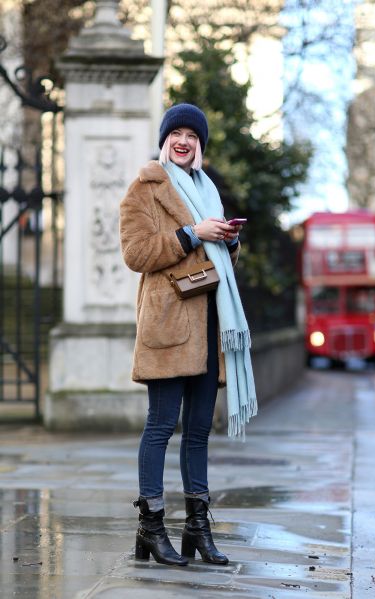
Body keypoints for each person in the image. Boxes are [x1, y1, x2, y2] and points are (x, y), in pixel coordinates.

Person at [120, 103, 257, 567]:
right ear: (165, 141)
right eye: (176, 133)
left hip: (210, 324)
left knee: (198, 432)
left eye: (192, 136)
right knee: (161, 426)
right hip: (168, 325)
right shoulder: (145, 187)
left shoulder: (207, 189)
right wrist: (192, 233)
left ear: (200, 145)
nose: (184, 141)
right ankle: (151, 525)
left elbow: (215, 265)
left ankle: (197, 528)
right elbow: (136, 253)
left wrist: (228, 241)